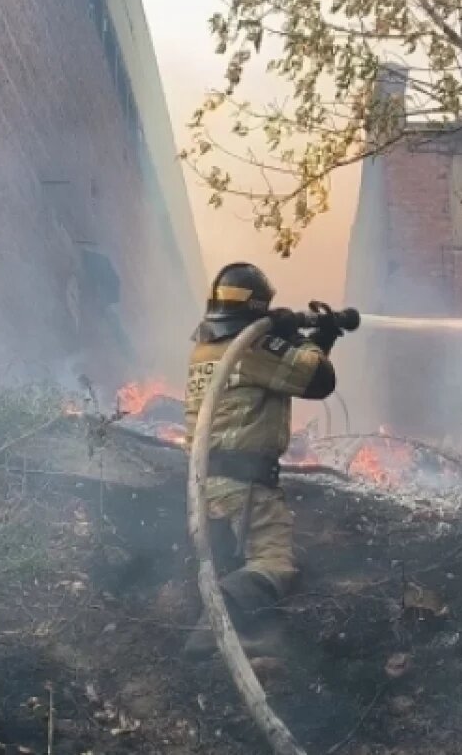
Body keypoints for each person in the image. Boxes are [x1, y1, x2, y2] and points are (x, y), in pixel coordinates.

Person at [182, 262, 341, 659]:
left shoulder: (206, 347)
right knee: (273, 562)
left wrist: (309, 337)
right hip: (243, 485)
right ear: (257, 308)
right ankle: (211, 634)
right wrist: (304, 337)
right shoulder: (252, 349)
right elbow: (317, 380)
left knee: (233, 560)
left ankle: (228, 633)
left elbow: (296, 369)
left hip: (208, 482)